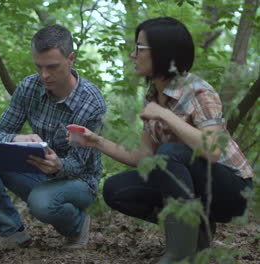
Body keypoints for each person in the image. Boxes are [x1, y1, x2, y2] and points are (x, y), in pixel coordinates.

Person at [67, 17, 254, 263]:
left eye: (139, 48)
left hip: (233, 189)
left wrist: (165, 114)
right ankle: (195, 234)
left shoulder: (198, 91)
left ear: (164, 52)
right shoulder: (153, 97)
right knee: (116, 189)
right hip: (193, 186)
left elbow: (213, 150)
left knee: (170, 152)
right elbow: (144, 158)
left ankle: (179, 253)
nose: (133, 55)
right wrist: (96, 142)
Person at [0, 24, 106, 249]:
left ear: (71, 59)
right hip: (36, 170)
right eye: (38, 66)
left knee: (41, 202)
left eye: (52, 67)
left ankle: (77, 225)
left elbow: (79, 165)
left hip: (78, 182)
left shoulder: (91, 104)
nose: (44, 75)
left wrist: (58, 165)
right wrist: (16, 139)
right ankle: (12, 233)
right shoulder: (29, 87)